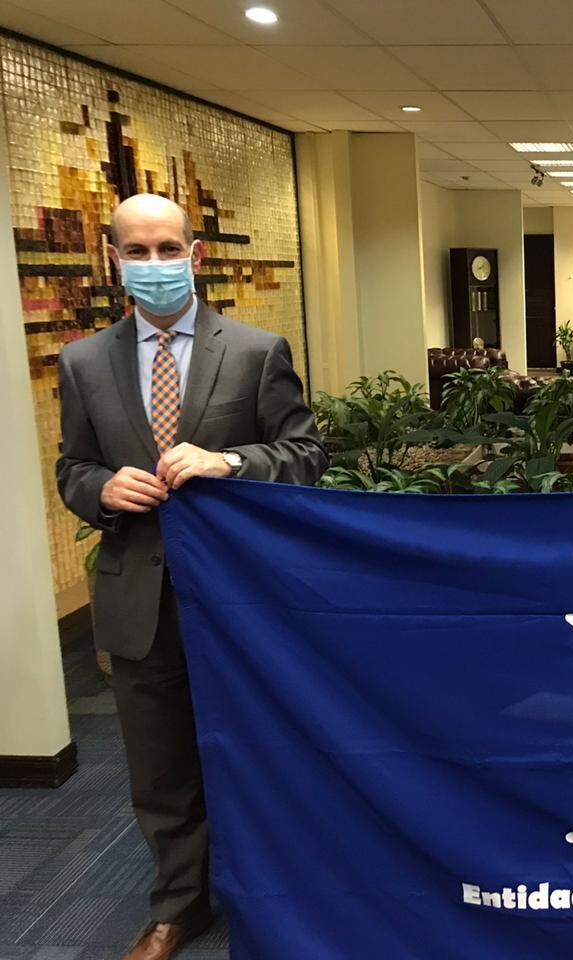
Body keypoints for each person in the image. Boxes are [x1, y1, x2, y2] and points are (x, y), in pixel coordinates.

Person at [56, 193, 328, 960]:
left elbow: (306, 455)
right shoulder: (83, 362)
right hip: (139, 593)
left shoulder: (255, 352)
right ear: (114, 259)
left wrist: (229, 460)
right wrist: (100, 488)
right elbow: (73, 466)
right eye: (137, 252)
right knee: (160, 764)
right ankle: (178, 906)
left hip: (242, 597)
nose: (154, 264)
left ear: (195, 255)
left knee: (260, 749)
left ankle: (276, 890)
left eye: (168, 249)